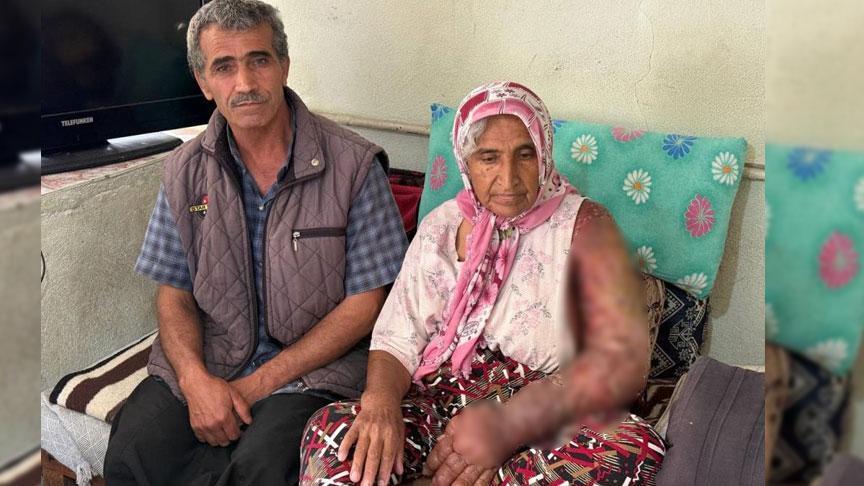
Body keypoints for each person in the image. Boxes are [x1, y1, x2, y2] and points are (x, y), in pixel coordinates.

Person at [299, 82, 666, 486]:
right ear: (466, 163)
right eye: (489, 158)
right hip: (436, 404)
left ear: (544, 155)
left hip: (542, 411)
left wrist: (509, 426)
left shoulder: (585, 224)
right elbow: (396, 339)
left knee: (634, 446)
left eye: (525, 155)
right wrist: (380, 405)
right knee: (332, 431)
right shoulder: (441, 225)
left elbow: (622, 363)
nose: (508, 178)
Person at [103, 1, 407, 485]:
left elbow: (366, 304)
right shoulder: (183, 170)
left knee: (261, 470)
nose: (245, 83)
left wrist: (255, 385)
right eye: (224, 67)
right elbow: (173, 293)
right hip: (212, 360)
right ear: (203, 82)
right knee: (133, 453)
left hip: (314, 374)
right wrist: (195, 381)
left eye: (259, 60)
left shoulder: (353, 165)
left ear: (284, 65)